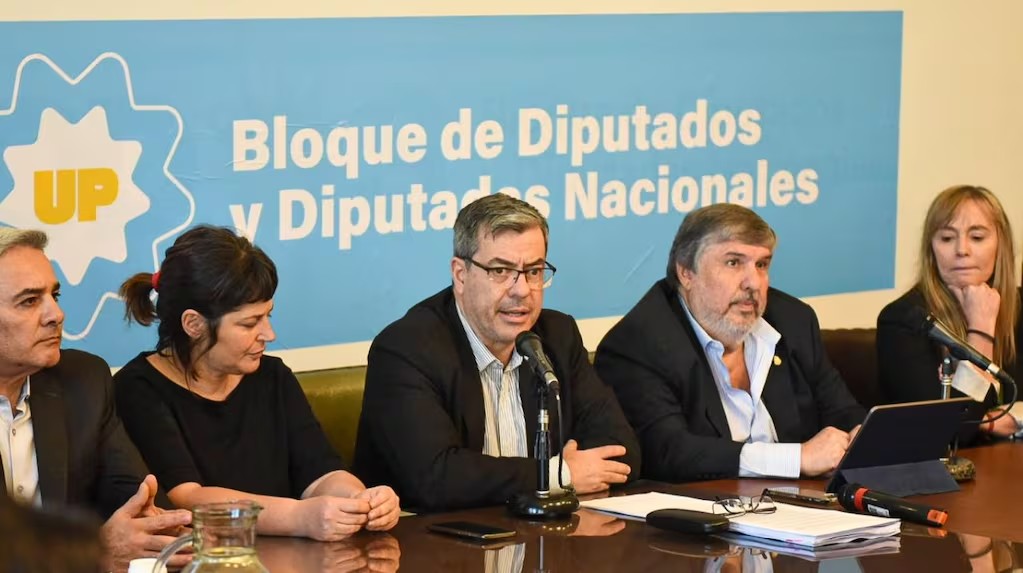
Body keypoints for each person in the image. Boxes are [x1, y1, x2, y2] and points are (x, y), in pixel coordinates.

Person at [353, 193, 640, 511]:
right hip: (431, 538)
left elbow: (622, 450)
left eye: (534, 271)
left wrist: (564, 474)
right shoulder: (407, 349)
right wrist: (558, 474)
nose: (522, 290)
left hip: (541, 534)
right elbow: (436, 477)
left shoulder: (557, 337)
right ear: (460, 275)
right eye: (501, 271)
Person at [114, 225, 400, 542]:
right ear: (194, 324)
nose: (268, 334)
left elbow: (321, 473)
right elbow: (186, 499)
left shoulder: (272, 376)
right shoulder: (138, 388)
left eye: (268, 316)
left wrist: (360, 499)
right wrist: (299, 517)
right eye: (250, 323)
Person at [594, 203, 865, 482]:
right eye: (733, 263)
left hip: (801, 501)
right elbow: (669, 451)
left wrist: (859, 435)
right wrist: (796, 458)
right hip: (705, 505)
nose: (753, 283)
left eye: (761, 265)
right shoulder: (638, 344)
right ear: (686, 272)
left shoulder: (792, 320)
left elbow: (842, 410)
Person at [0, 228, 191, 572]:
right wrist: (97, 553)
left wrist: (153, 528)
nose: (56, 314)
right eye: (29, 301)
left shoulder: (82, 381)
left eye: (55, 295)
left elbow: (135, 498)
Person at [877, 185, 1023, 440]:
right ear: (931, 250)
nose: (962, 250)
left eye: (977, 237)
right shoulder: (903, 320)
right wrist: (980, 329)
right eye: (946, 238)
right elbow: (948, 432)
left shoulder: (1019, 304)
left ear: (1001, 245)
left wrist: (1012, 419)